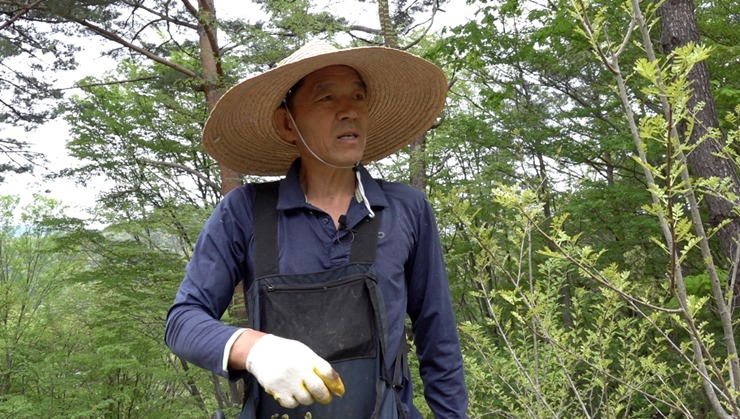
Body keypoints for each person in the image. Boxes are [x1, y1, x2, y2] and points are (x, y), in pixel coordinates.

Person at [165, 40, 468, 418]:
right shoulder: (244, 211)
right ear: (286, 123)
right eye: (326, 98)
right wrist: (257, 349)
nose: (349, 111)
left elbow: (438, 339)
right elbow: (182, 321)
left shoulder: (405, 208)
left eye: (358, 97)